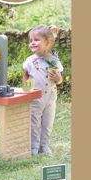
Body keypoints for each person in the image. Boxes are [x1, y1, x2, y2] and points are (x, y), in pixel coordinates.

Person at [22, 25, 63, 155]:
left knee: (47, 122)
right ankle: (34, 147)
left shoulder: (53, 60)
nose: (32, 43)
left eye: (36, 40)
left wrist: (57, 78)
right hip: (35, 97)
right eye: (31, 40)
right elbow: (26, 75)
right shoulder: (30, 61)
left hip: (50, 97)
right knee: (34, 122)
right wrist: (26, 90)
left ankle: (44, 145)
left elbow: (60, 80)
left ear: (47, 42)